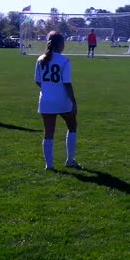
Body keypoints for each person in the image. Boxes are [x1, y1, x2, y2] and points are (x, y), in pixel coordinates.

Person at [34, 31, 81, 170]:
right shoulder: (64, 61)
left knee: (48, 133)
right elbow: (67, 83)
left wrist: (48, 89)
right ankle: (70, 160)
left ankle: (49, 165)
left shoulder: (40, 59)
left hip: (46, 101)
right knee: (72, 127)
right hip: (62, 100)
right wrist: (73, 101)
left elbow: (37, 81)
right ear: (61, 44)